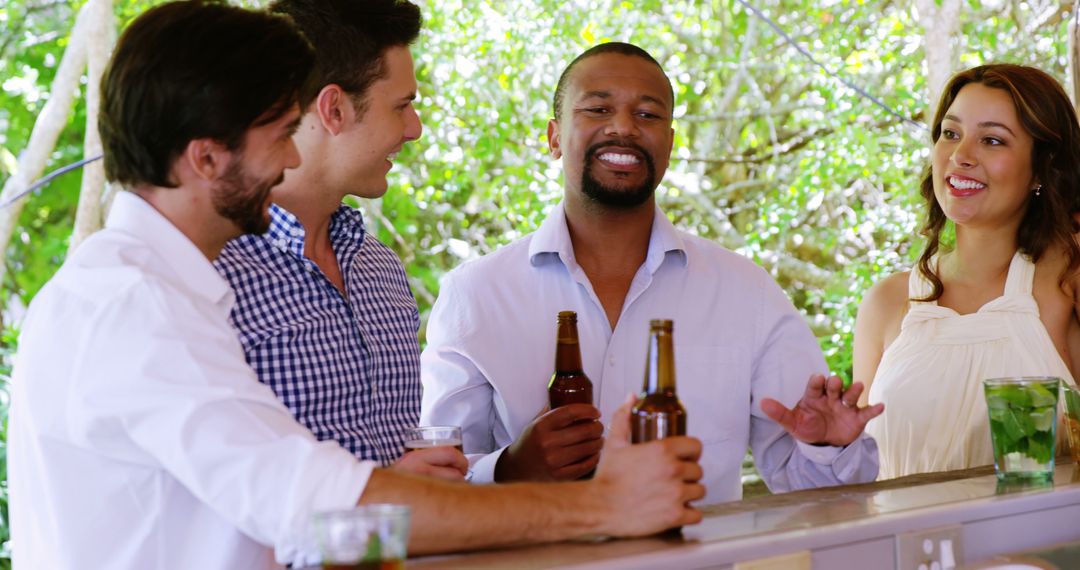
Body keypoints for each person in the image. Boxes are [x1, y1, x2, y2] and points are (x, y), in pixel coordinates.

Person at [8, 4, 706, 568]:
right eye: (279, 134)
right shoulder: (132, 307)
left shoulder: (169, 292)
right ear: (206, 157)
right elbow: (306, 508)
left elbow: (310, 535)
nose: (289, 156)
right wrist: (605, 508)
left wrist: (415, 495)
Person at [420, 42, 883, 503]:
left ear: (670, 143)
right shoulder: (476, 294)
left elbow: (816, 491)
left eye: (647, 115)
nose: (623, 127)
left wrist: (826, 445)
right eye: (598, 108)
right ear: (555, 136)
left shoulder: (747, 293)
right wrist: (510, 468)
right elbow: (433, 487)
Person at [214, 0, 449, 477]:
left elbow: (406, 460)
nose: (415, 129)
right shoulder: (212, 274)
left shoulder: (379, 268)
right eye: (402, 106)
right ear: (334, 108)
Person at [854, 64, 1080, 479]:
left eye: (992, 140)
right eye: (950, 133)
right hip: (903, 543)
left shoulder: (1064, 287)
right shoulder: (887, 302)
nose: (960, 156)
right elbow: (856, 475)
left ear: (1042, 169)